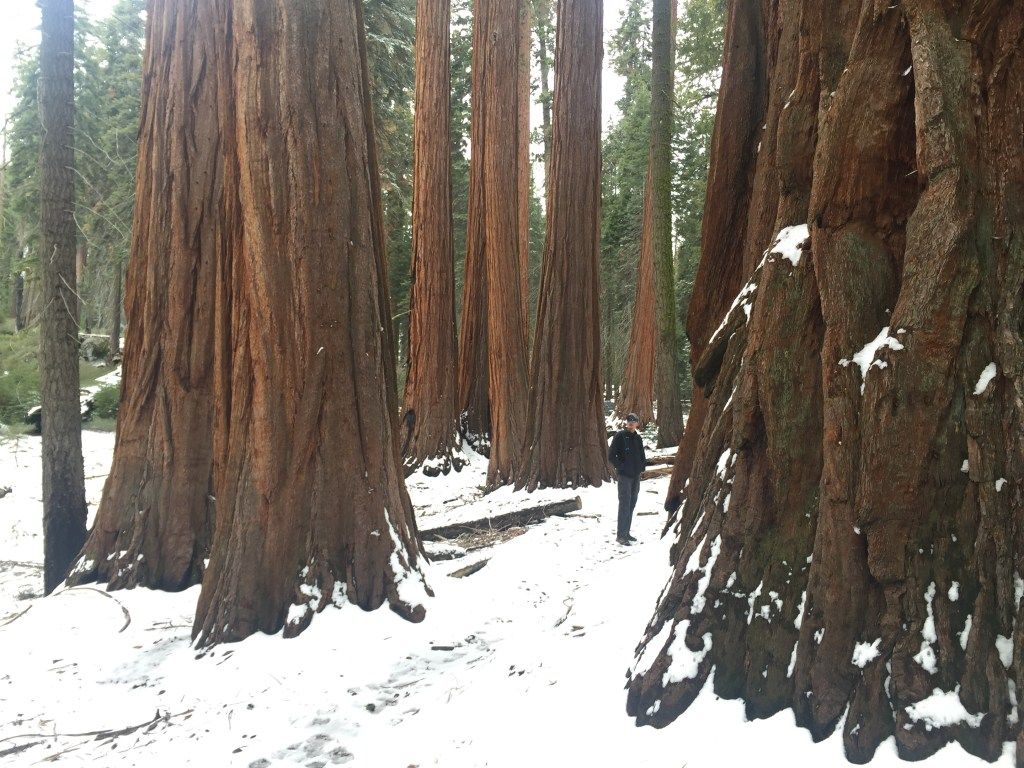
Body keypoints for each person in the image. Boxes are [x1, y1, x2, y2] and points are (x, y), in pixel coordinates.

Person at [608, 413, 646, 545]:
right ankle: (621, 535)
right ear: (626, 422)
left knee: (632, 503)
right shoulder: (620, 436)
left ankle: (627, 533)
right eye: (629, 420)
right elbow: (611, 455)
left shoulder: (638, 438)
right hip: (624, 476)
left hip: (636, 476)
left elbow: (641, 454)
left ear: (637, 424)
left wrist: (642, 467)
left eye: (634, 421)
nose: (631, 423)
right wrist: (621, 467)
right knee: (624, 504)